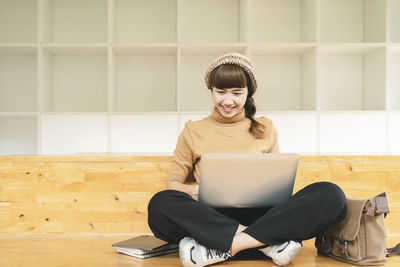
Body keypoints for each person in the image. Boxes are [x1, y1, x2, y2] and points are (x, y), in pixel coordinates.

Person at [147, 53, 347, 267]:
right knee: (159, 205)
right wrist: (197, 190)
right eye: (220, 92)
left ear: (248, 92)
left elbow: (276, 183)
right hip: (210, 216)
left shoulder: (266, 128)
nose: (227, 100)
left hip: (259, 215)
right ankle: (267, 243)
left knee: (332, 195)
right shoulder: (192, 131)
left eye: (236, 92)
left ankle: (225, 247)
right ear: (211, 90)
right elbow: (172, 185)